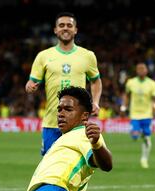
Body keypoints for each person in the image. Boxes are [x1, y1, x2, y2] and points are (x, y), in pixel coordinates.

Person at [25, 12, 102, 156]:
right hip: (52, 123)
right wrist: (30, 85)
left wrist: (96, 102)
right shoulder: (43, 56)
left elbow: (96, 80)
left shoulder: (87, 56)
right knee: (49, 168)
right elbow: (32, 81)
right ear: (55, 30)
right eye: (61, 25)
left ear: (75, 30)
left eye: (69, 25)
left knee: (78, 166)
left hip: (77, 124)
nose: (65, 28)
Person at [121, 63, 155, 168]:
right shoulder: (131, 82)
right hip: (135, 114)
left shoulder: (152, 84)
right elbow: (126, 95)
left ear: (146, 70)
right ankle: (139, 134)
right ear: (136, 71)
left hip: (147, 114)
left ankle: (144, 159)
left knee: (147, 138)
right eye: (139, 69)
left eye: (143, 69)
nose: (141, 70)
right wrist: (123, 106)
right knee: (134, 136)